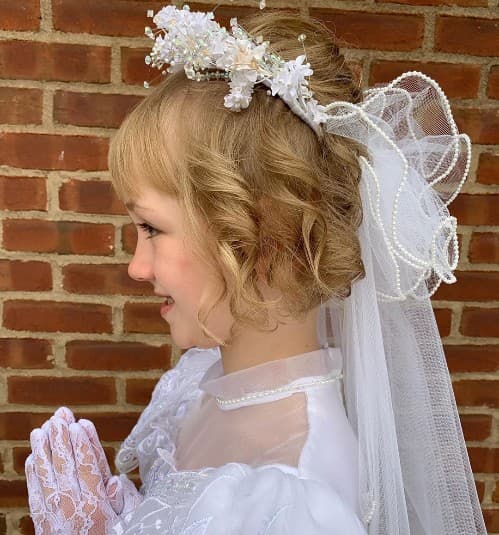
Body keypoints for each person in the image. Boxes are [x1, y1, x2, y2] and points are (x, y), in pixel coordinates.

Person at [24, 4, 487, 534]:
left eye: (150, 228)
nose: (135, 266)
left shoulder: (296, 498)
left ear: (256, 239)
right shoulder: (203, 382)